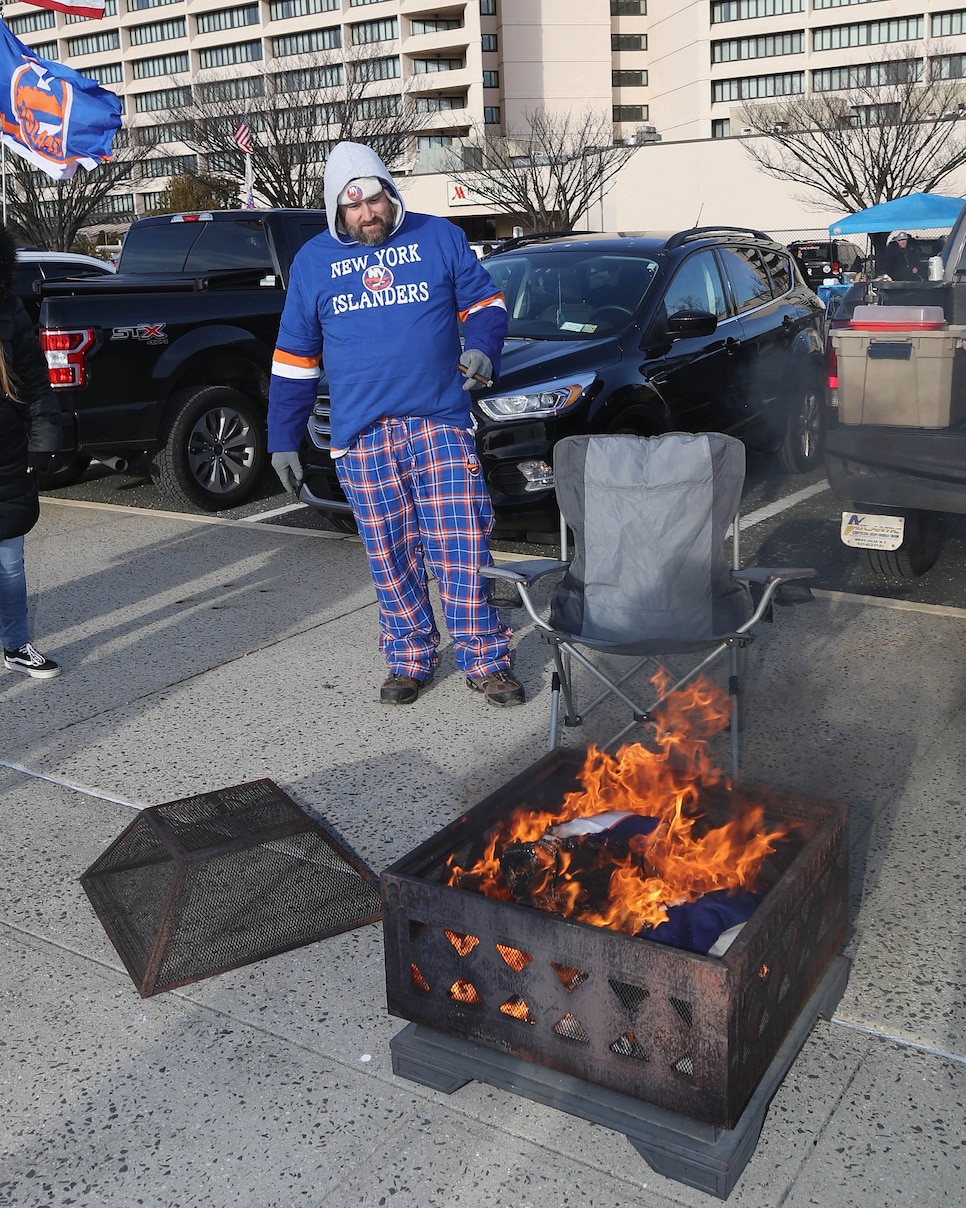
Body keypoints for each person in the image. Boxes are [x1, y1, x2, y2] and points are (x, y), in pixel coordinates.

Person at [268, 141, 523, 708]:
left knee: (462, 546)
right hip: (361, 437)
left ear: (390, 192)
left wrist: (483, 348)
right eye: (353, 205)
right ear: (337, 208)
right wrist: (282, 437)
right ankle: (409, 658)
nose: (368, 213)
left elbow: (485, 306)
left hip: (440, 423)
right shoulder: (313, 261)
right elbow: (294, 356)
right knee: (389, 553)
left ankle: (484, 659)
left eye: (375, 199)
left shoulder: (439, 237)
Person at [0, 224, 63, 679]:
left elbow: (36, 383)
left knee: (9, 563)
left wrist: (41, 446)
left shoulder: (8, 310)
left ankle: (16, 645)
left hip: (6, 454)